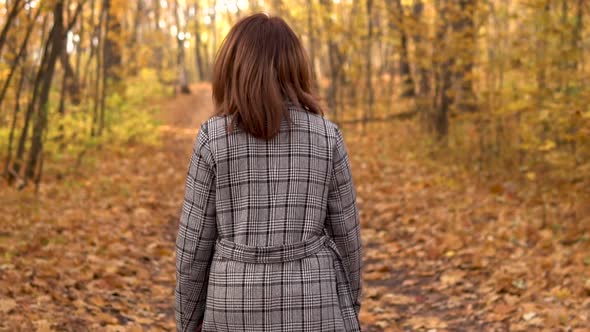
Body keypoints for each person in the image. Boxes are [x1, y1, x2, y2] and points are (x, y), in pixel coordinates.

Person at [175, 13, 362, 332]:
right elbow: (348, 239)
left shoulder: (213, 138)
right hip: (313, 305)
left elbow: (192, 248)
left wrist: (187, 320)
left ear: (232, 69)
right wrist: (349, 303)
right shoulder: (327, 136)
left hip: (232, 308)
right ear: (296, 68)